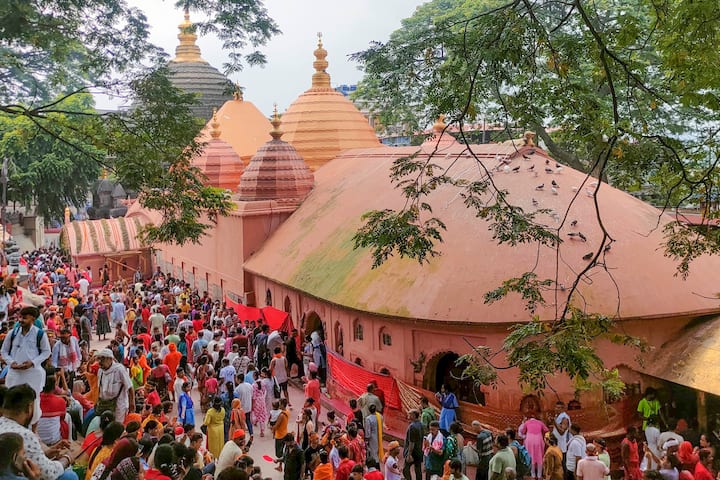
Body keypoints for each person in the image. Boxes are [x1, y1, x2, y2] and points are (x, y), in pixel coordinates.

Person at [1, 306, 51, 424]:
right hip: (15, 374)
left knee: (33, 402)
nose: (21, 320)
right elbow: (4, 351)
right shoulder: (12, 333)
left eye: (24, 318)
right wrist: (11, 363)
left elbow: (46, 352)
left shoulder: (39, 334)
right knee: (11, 400)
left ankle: (32, 430)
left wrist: (32, 363)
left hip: (32, 374)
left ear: (32, 319)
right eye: (20, 317)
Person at [95, 349, 134, 423]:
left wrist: (132, 403)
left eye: (103, 359)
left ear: (110, 359)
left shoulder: (119, 370)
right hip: (105, 404)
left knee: (116, 426)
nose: (100, 361)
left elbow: (130, 387)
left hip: (118, 406)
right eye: (99, 359)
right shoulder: (100, 371)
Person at [520, 413, 549, 480]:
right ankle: (539, 475)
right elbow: (546, 430)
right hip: (539, 440)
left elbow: (523, 431)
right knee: (539, 456)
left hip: (529, 440)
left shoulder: (527, 423)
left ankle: (533, 475)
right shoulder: (540, 422)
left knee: (531, 457)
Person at [403, 410, 423, 480]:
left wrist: (409, 455)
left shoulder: (412, 426)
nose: (408, 416)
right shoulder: (420, 424)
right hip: (419, 451)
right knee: (418, 470)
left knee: (405, 469)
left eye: (410, 414)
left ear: (414, 415)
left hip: (412, 452)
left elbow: (411, 442)